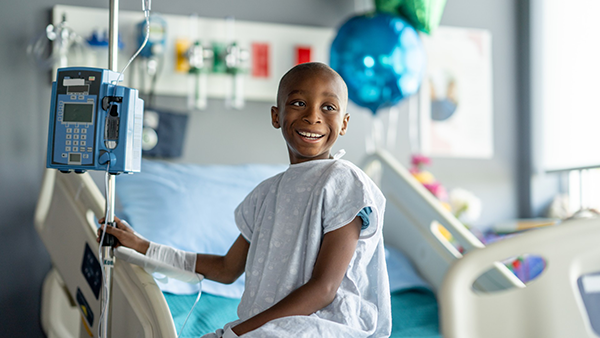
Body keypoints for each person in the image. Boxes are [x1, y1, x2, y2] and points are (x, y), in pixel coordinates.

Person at [98, 62, 392, 337]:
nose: (312, 116)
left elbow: (324, 289)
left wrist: (236, 333)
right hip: (267, 327)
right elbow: (227, 269)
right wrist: (145, 247)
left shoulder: (343, 181)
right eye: (298, 103)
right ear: (276, 116)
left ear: (344, 123)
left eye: (328, 107)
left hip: (321, 326)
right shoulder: (266, 195)